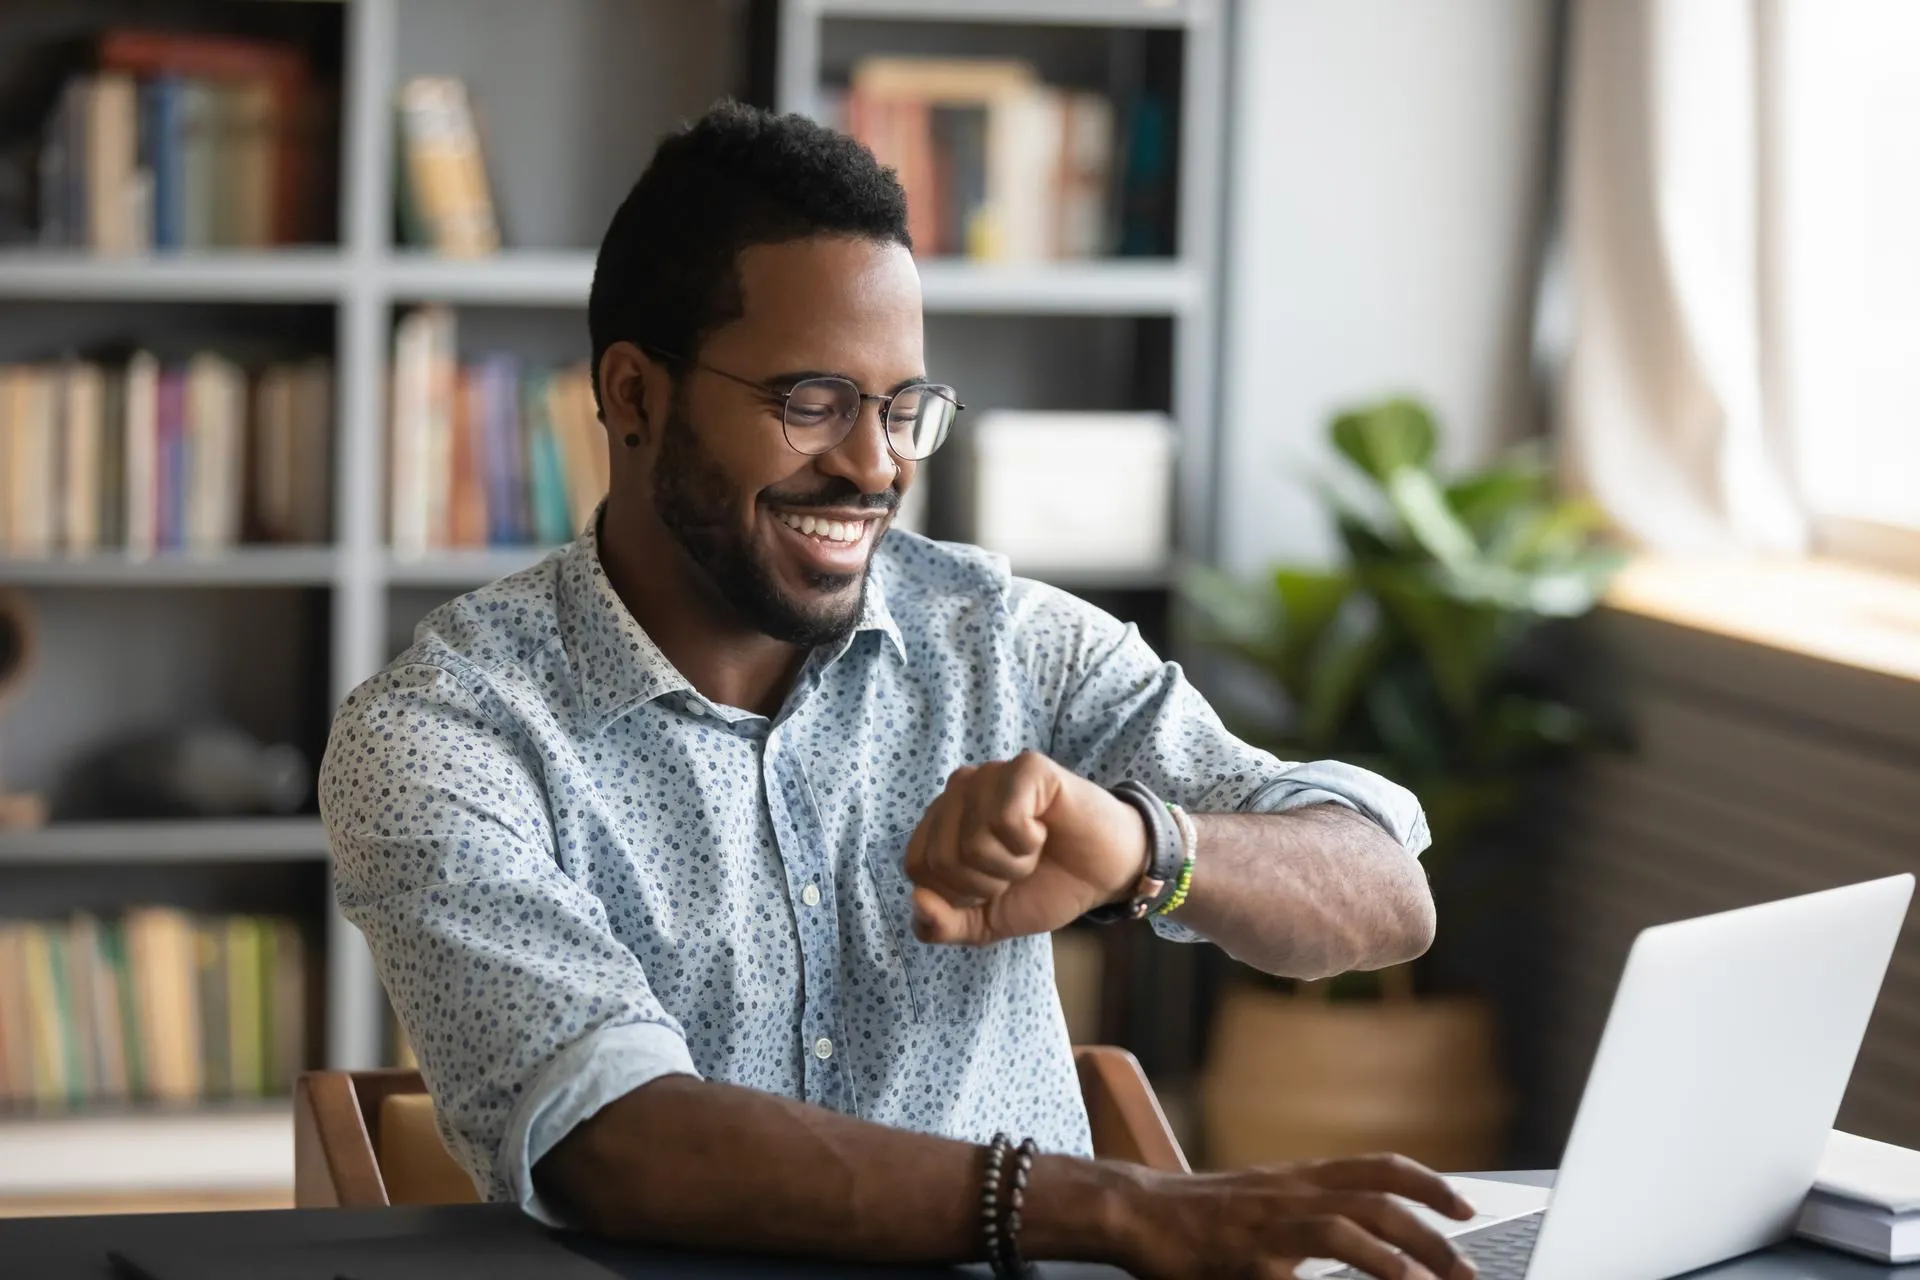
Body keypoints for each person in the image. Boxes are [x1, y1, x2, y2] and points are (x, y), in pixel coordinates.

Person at [319, 102, 1477, 1280]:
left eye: (902, 407)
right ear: (632, 395)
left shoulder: (1002, 640)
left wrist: (1146, 845)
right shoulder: (443, 735)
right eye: (810, 402)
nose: (876, 467)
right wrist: (1119, 1208)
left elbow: (1386, 891)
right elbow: (615, 1135)